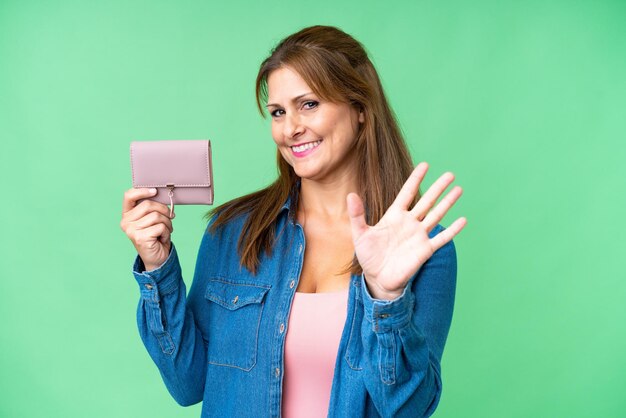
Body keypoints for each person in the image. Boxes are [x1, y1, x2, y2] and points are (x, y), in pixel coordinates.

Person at [120, 25, 466, 418]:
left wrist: (386, 298)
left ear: (361, 111)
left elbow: (407, 408)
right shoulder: (233, 233)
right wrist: (157, 266)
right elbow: (188, 383)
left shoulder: (422, 249)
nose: (290, 128)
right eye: (278, 112)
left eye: (309, 104)